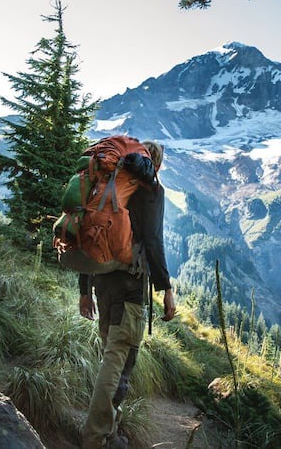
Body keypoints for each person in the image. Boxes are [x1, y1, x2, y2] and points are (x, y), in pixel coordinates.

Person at [78, 140, 176, 449]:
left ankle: (109, 431)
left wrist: (85, 289)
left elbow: (92, 234)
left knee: (111, 352)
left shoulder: (110, 185)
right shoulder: (151, 191)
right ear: (154, 166)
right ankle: (96, 438)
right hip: (131, 287)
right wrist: (166, 288)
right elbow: (153, 240)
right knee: (119, 359)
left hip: (103, 282)